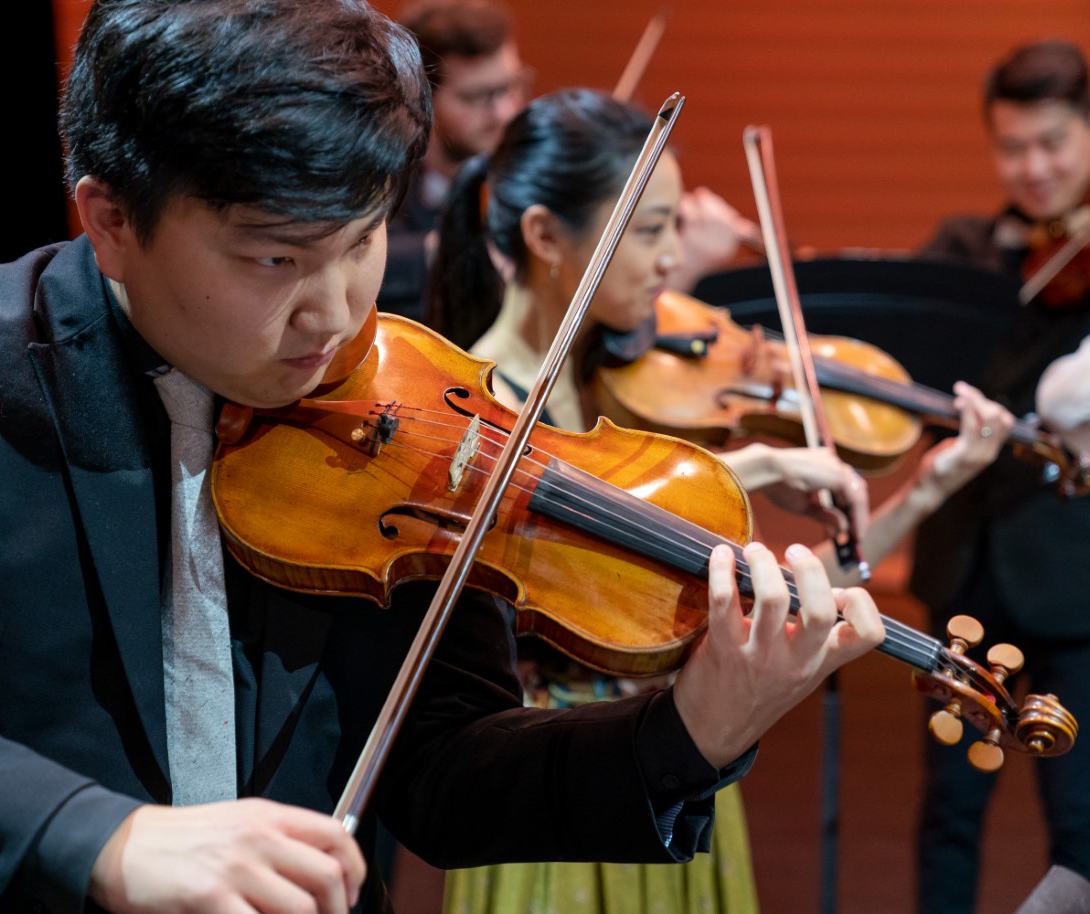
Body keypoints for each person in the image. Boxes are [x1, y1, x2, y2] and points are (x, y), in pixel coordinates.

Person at [0, 3, 887, 913]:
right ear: (110, 219)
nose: (333, 312)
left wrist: (691, 727)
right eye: (275, 256)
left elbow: (444, 778)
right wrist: (109, 837)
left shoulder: (411, 411)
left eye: (363, 238)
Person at [427, 87, 1012, 914]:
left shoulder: (615, 400)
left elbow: (788, 595)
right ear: (546, 237)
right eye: (651, 229)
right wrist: (754, 462)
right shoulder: (475, 421)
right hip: (563, 796)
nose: (674, 261)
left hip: (677, 774)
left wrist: (929, 487)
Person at [910, 38, 1090, 914]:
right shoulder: (966, 254)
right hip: (967, 572)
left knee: (1081, 814)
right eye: (1013, 146)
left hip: (1076, 583)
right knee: (949, 808)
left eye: (1054, 142)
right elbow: (908, 376)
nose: (1034, 167)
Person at [377, 0, 530, 322]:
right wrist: (443, 250)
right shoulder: (382, 179)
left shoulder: (527, 173)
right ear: (422, 96)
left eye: (511, 87)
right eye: (476, 97)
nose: (503, 113)